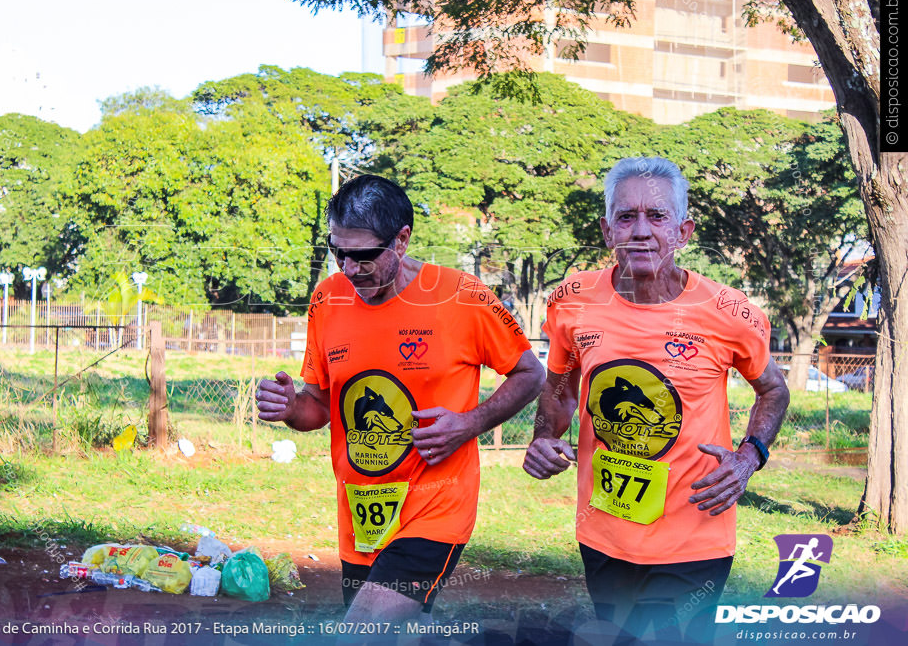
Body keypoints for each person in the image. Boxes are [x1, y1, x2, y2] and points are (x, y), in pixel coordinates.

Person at [523, 157, 790, 643]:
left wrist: (749, 458)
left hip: (695, 535)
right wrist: (544, 438)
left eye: (657, 216)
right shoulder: (573, 300)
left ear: (684, 231)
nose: (640, 231)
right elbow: (559, 385)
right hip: (604, 531)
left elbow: (773, 388)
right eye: (626, 217)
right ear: (607, 231)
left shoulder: (729, 313)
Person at [257, 174, 544, 624]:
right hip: (363, 515)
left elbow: (531, 373)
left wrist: (469, 424)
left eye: (364, 255)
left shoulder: (461, 297)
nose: (349, 268)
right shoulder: (327, 300)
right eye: (338, 252)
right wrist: (291, 408)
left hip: (436, 508)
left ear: (402, 241)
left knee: (362, 630)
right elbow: (318, 406)